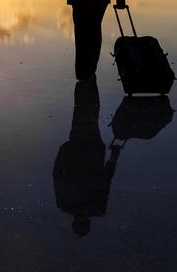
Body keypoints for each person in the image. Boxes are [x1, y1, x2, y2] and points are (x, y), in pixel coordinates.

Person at [53, 80, 121, 236]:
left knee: (86, 117)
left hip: (83, 150)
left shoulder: (66, 203)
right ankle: (87, 84)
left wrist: (114, 156)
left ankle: (86, 84)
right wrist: (114, 156)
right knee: (86, 116)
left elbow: (57, 174)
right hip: (86, 150)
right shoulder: (94, 206)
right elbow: (106, 179)